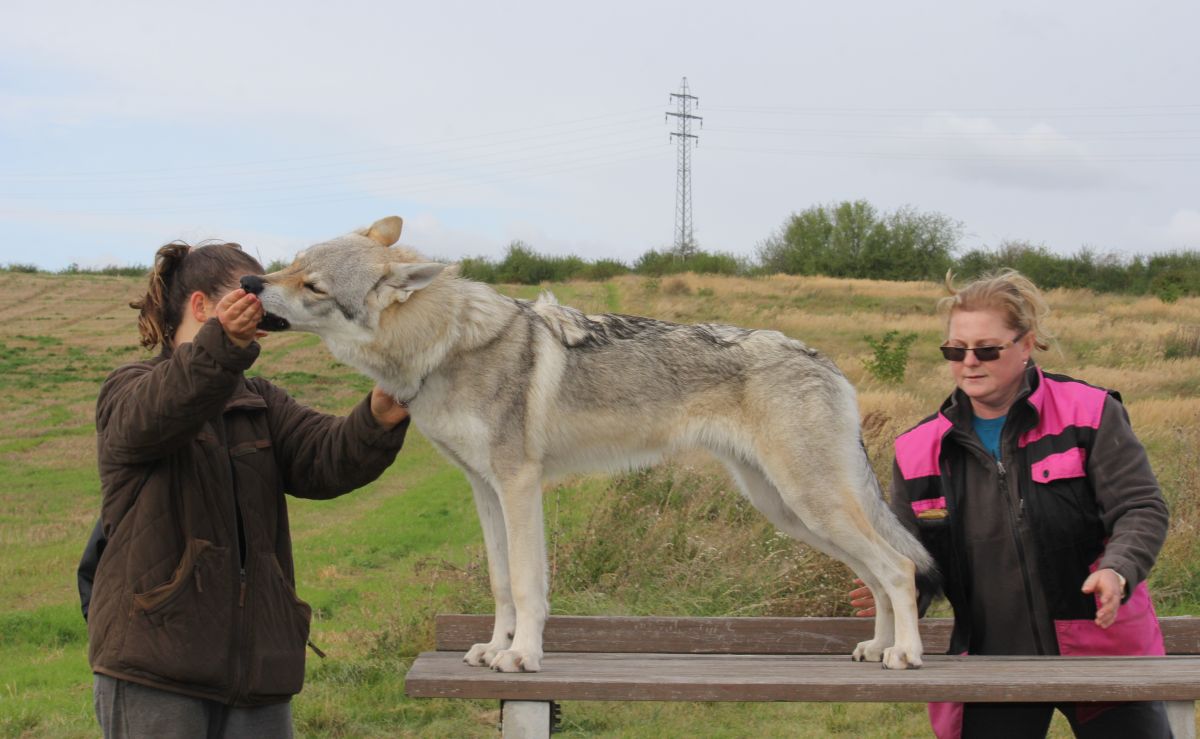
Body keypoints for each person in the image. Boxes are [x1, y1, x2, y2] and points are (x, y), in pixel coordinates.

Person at [87, 241, 412, 738]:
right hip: (156, 666)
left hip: (257, 673)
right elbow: (153, 420)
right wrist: (223, 345)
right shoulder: (129, 387)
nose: (264, 307)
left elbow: (325, 458)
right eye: (249, 295)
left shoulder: (259, 400)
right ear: (200, 307)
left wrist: (377, 417)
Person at [848, 269, 1171, 739]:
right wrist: (897, 588)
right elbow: (916, 555)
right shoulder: (917, 448)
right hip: (988, 662)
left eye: (986, 349)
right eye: (955, 351)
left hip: (1105, 651)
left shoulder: (1091, 412)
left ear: (1025, 345)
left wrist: (1117, 570)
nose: (969, 363)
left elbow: (1141, 507)